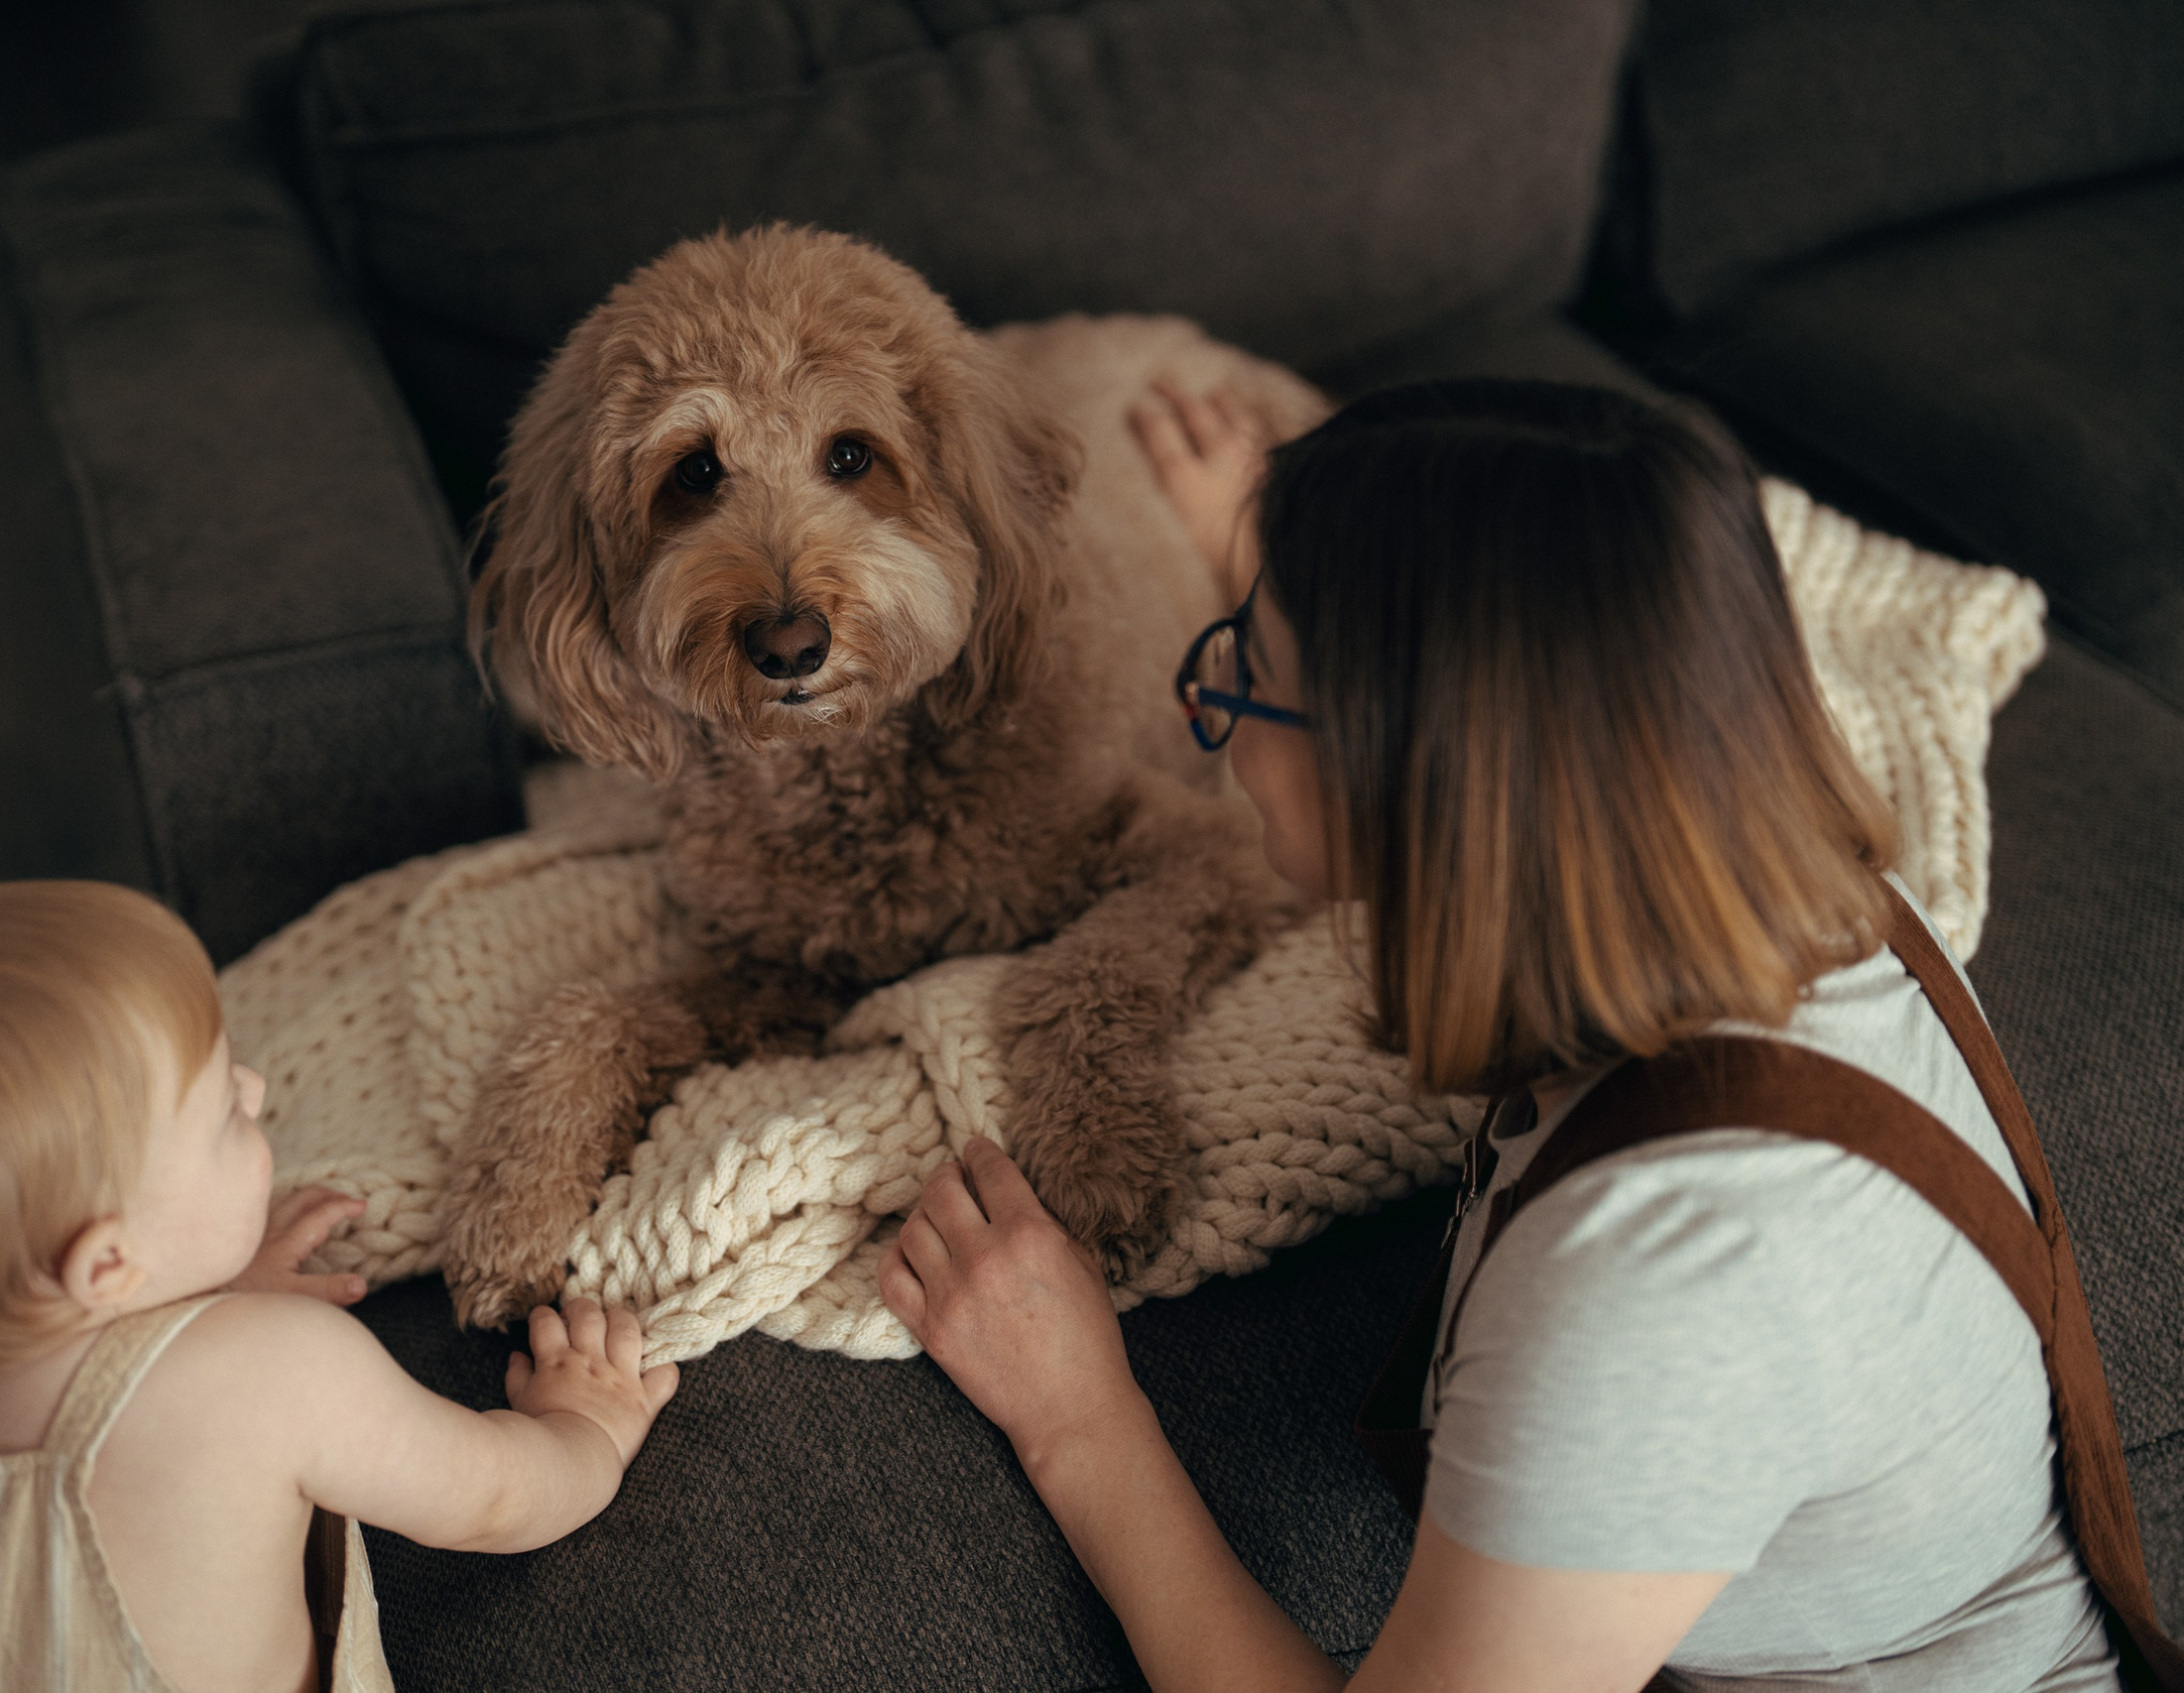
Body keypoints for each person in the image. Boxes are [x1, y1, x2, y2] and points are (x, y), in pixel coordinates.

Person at [877, 378, 2131, 1691]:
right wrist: (1305, 561)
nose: (1223, 701)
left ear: (1414, 777)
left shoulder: (1658, 1280)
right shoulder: (1780, 872)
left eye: (1260, 671)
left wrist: (1080, 1418)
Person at [0, 879, 678, 1693]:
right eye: (219, 1118)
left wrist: (190, 1286)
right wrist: (584, 1427)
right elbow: (489, 1501)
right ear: (108, 1266)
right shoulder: (274, 1374)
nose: (255, 1087)